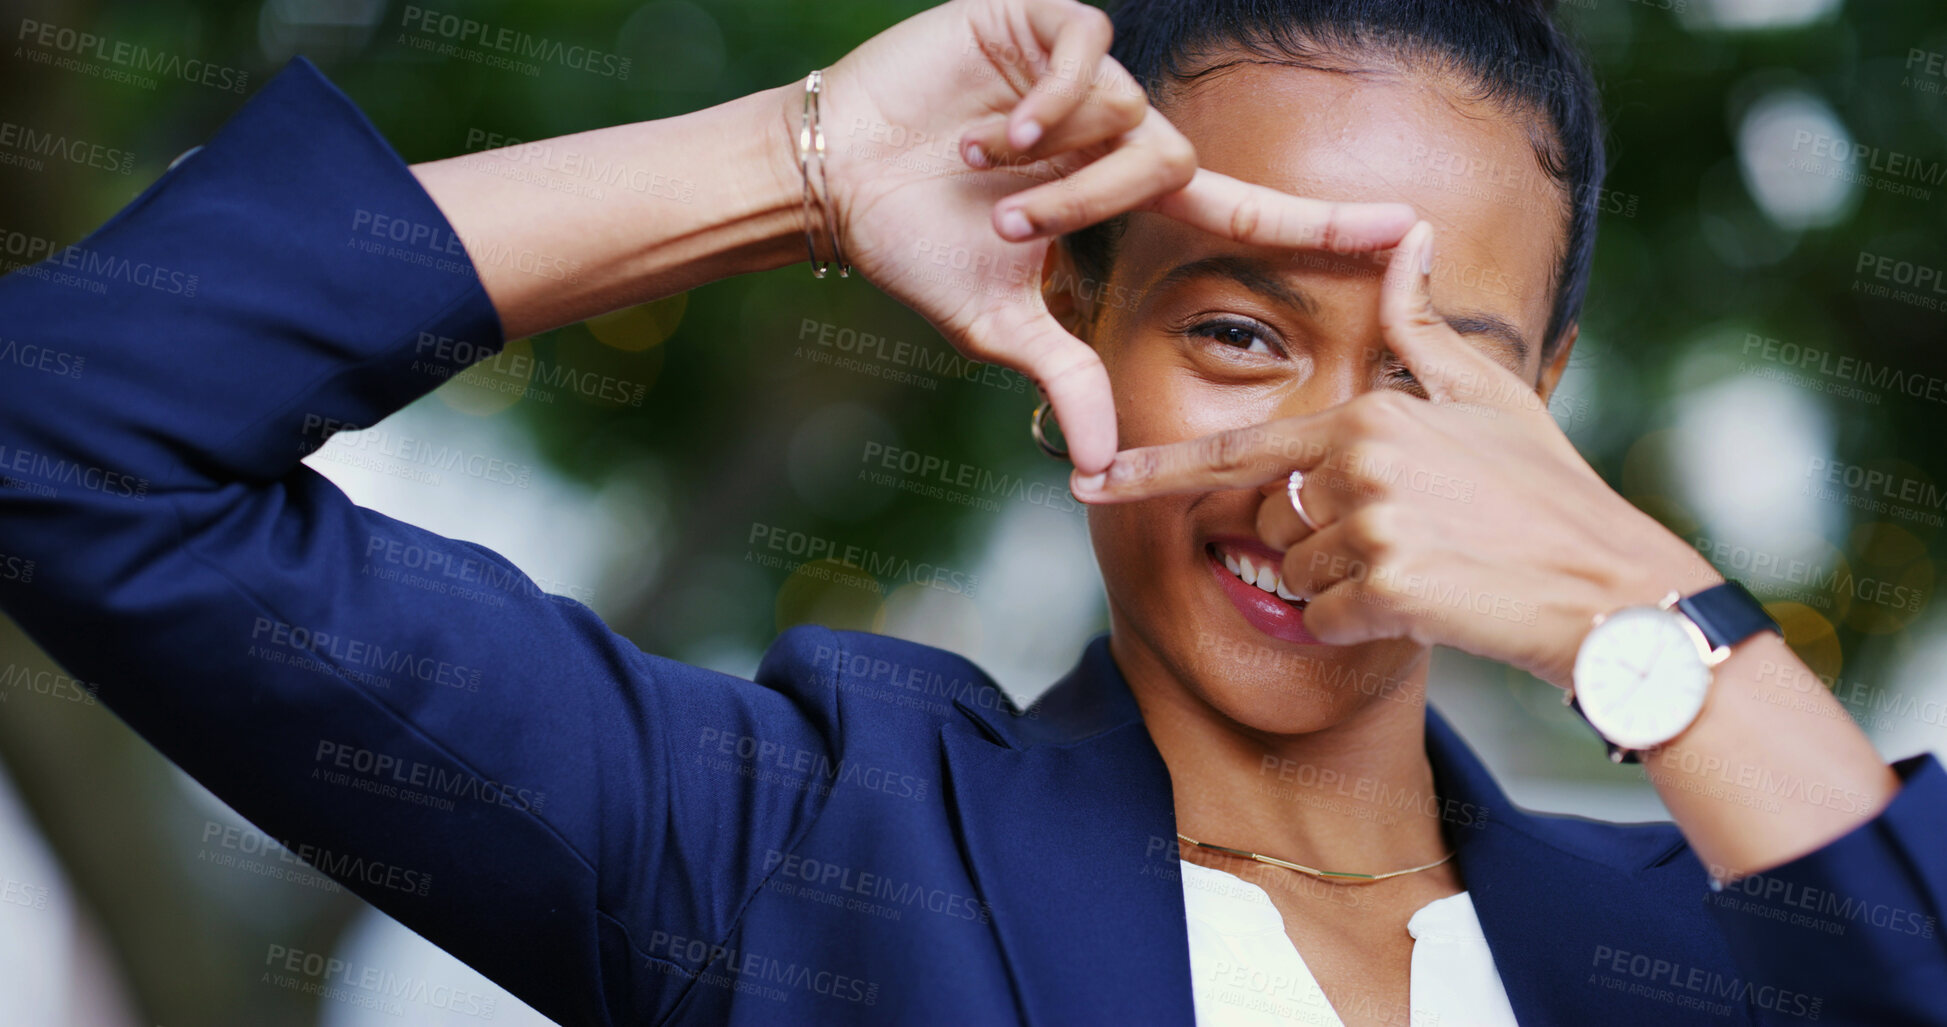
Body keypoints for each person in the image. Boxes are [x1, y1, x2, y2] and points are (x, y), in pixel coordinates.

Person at [0, 0, 1941, 1024]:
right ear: (1074, 311)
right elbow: (67, 440)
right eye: (1241, 331)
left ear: (1549, 400)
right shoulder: (787, 850)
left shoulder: (1729, 939)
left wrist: (1637, 603)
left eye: (1443, 369)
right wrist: (791, 159)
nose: (1331, 466)